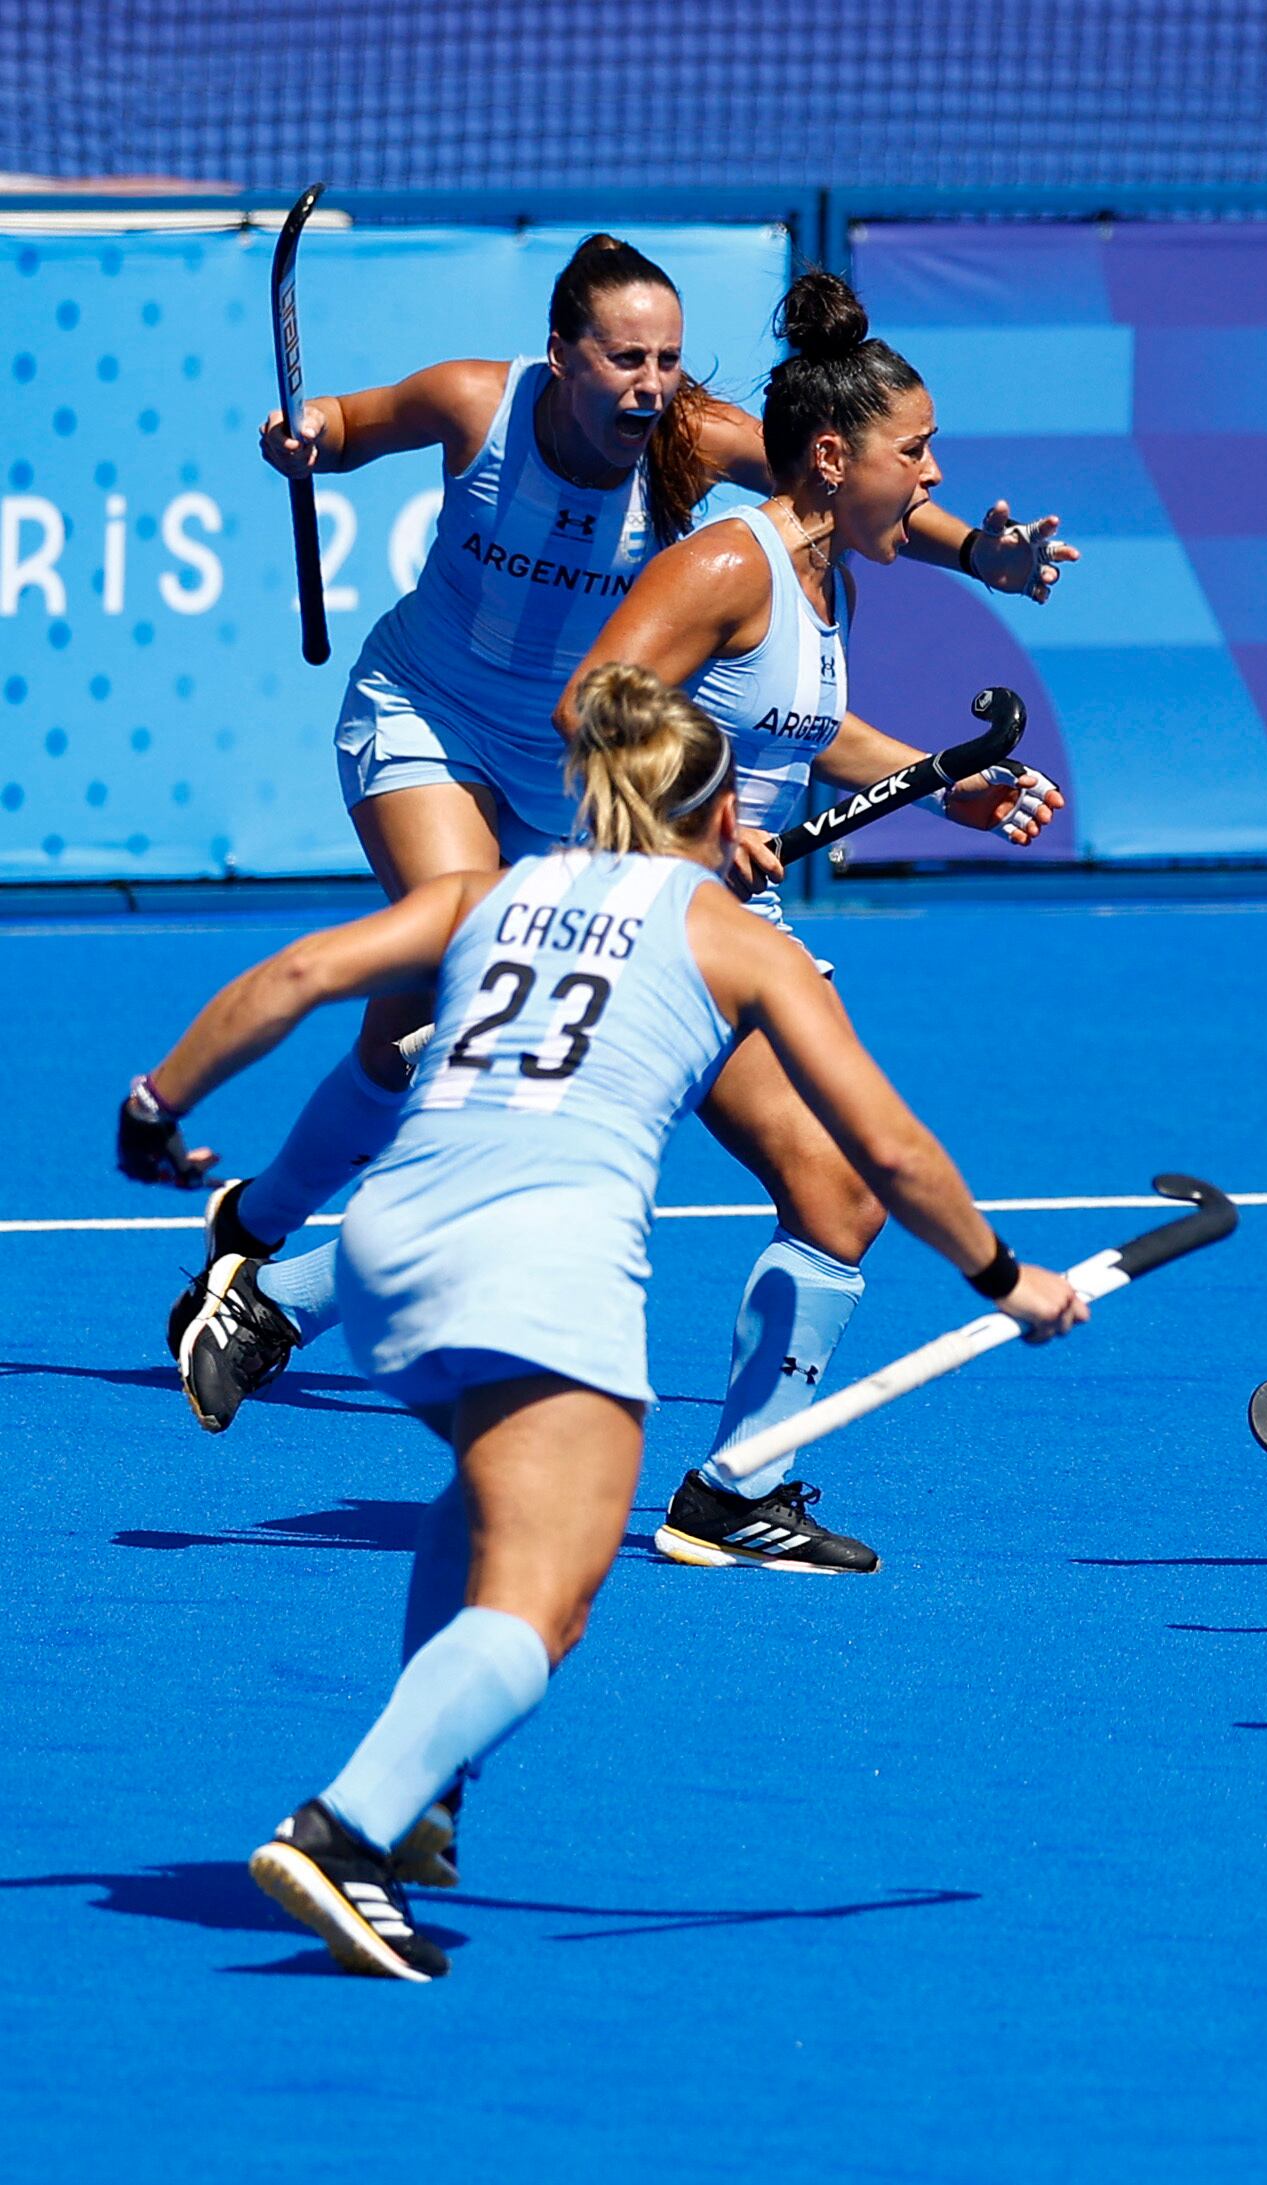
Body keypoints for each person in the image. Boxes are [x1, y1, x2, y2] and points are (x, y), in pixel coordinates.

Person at [111, 662, 1081, 1980]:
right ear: (727, 803)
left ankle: (422, 1793)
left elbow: (294, 977)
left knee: (484, 1494)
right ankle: (345, 1830)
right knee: (546, 1604)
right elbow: (889, 1150)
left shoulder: (488, 889)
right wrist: (1005, 1278)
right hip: (541, 1270)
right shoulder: (736, 938)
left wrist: (160, 1102)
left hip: (386, 1252)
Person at [133, 233, 1079, 1428]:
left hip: (582, 780)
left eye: (670, 361)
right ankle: (282, 1269)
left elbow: (838, 525)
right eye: (626, 357)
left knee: (466, 1070)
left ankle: (263, 1251)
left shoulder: (727, 472)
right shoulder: (499, 412)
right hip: (443, 719)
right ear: (559, 355)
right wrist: (308, 433)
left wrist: (982, 567)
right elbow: (352, 424)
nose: (652, 384)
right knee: (449, 992)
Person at [563, 269, 1065, 1573]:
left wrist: (945, 789)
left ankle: (738, 1487)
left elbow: (808, 730)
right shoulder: (730, 559)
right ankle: (733, 1490)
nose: (937, 477)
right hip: (660, 920)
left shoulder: (818, 578)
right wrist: (706, 820)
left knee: (825, 1193)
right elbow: (593, 702)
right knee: (837, 1184)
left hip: (716, 922)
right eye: (918, 453)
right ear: (834, 458)